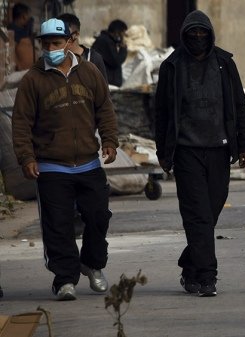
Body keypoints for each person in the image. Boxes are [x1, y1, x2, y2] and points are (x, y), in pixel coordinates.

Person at [11, 18, 118, 301]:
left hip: (88, 164)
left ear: (69, 42)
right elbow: (20, 123)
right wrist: (26, 157)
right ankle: (64, 279)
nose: (50, 49)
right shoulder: (33, 80)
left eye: (56, 43)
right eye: (45, 44)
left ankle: (92, 264)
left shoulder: (90, 72)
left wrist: (109, 141)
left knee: (98, 217)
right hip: (51, 166)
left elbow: (105, 109)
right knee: (57, 225)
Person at [154, 10, 245, 297]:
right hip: (186, 153)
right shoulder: (171, 66)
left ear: (210, 36)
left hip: (220, 151)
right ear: (184, 36)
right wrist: (163, 151)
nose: (198, 39)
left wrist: (244, 144)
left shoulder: (224, 63)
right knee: (198, 217)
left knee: (211, 212)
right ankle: (208, 277)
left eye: (203, 34)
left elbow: (239, 104)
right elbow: (161, 112)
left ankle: (189, 266)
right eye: (192, 34)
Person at [57, 13, 109, 82]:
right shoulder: (53, 58)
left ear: (76, 35)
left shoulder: (93, 59)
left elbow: (103, 90)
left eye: (64, 35)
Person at [92, 19, 128, 87]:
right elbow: (116, 61)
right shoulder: (106, 41)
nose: (123, 36)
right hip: (106, 83)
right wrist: (123, 48)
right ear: (118, 32)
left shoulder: (106, 40)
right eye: (123, 33)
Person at [7, 3, 35, 71]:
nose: (29, 17)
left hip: (28, 71)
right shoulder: (13, 30)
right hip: (20, 72)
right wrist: (17, 65)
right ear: (23, 15)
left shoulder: (24, 29)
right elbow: (10, 50)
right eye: (28, 14)